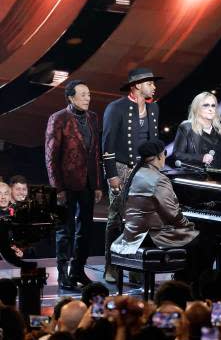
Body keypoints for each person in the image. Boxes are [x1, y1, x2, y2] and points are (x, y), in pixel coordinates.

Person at [110, 140, 208, 281]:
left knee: (196, 240)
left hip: (132, 233)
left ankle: (182, 280)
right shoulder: (159, 179)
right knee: (203, 243)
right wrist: (189, 225)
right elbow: (173, 213)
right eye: (164, 153)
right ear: (158, 156)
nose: (165, 157)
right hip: (152, 235)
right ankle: (187, 285)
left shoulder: (135, 173)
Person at [102, 67, 161, 282]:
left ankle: (135, 268)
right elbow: (107, 142)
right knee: (117, 218)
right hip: (121, 167)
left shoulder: (154, 108)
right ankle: (113, 265)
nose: (154, 86)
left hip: (144, 169)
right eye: (150, 83)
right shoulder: (116, 108)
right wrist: (111, 175)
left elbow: (154, 140)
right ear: (137, 85)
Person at [45, 79, 103, 290]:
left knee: (85, 230)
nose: (88, 98)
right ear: (71, 97)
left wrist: (97, 184)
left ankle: (78, 270)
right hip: (66, 184)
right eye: (83, 94)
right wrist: (57, 188)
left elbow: (95, 153)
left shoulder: (93, 118)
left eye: (89, 94)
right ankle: (63, 275)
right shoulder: (58, 118)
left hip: (87, 183)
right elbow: (51, 156)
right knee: (65, 231)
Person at [172, 91, 221, 168]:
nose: (210, 109)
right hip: (196, 176)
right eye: (206, 105)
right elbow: (177, 154)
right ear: (197, 108)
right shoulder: (186, 127)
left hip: (218, 176)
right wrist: (201, 158)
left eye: (213, 106)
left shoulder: (219, 129)